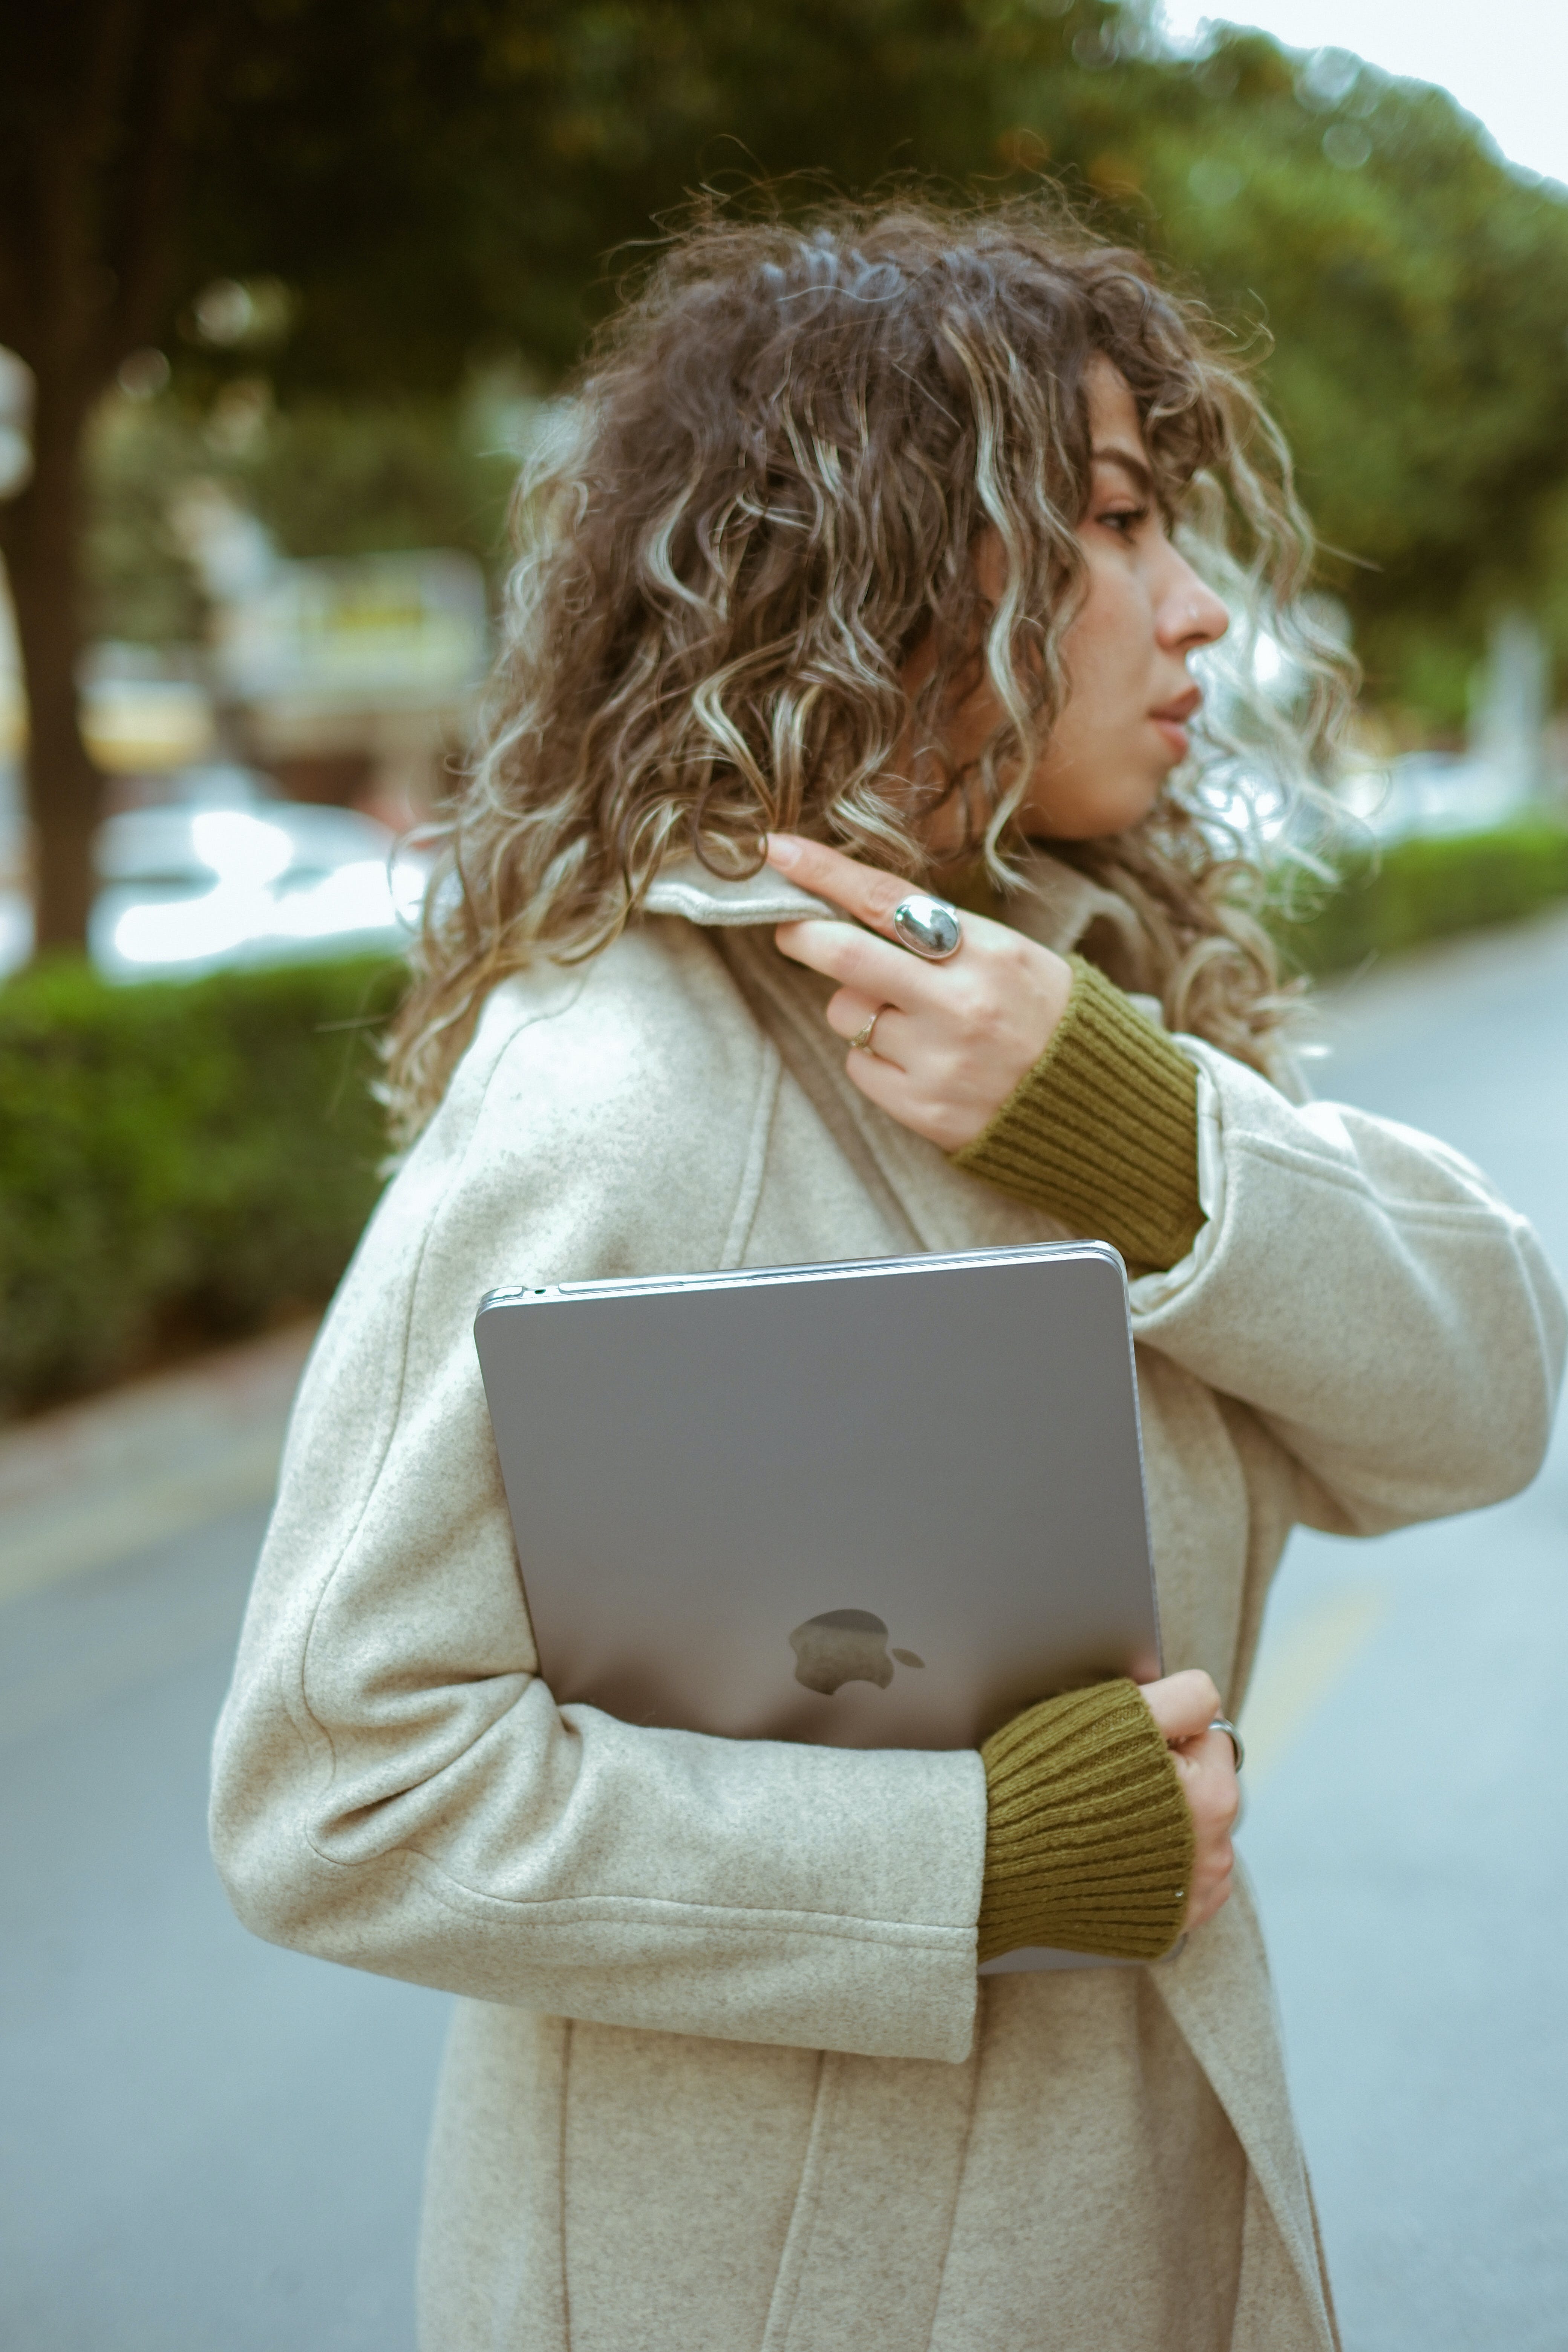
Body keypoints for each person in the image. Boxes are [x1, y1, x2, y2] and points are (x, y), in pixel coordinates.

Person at [210, 201, 1564, 2352]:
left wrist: (1129, 1126)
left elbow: (1488, 1398)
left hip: (1109, 2217)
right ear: (890, 565)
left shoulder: (1083, 1014)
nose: (1200, 611)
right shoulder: (619, 1093)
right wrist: (970, 1865)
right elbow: (338, 1794)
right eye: (1117, 524)